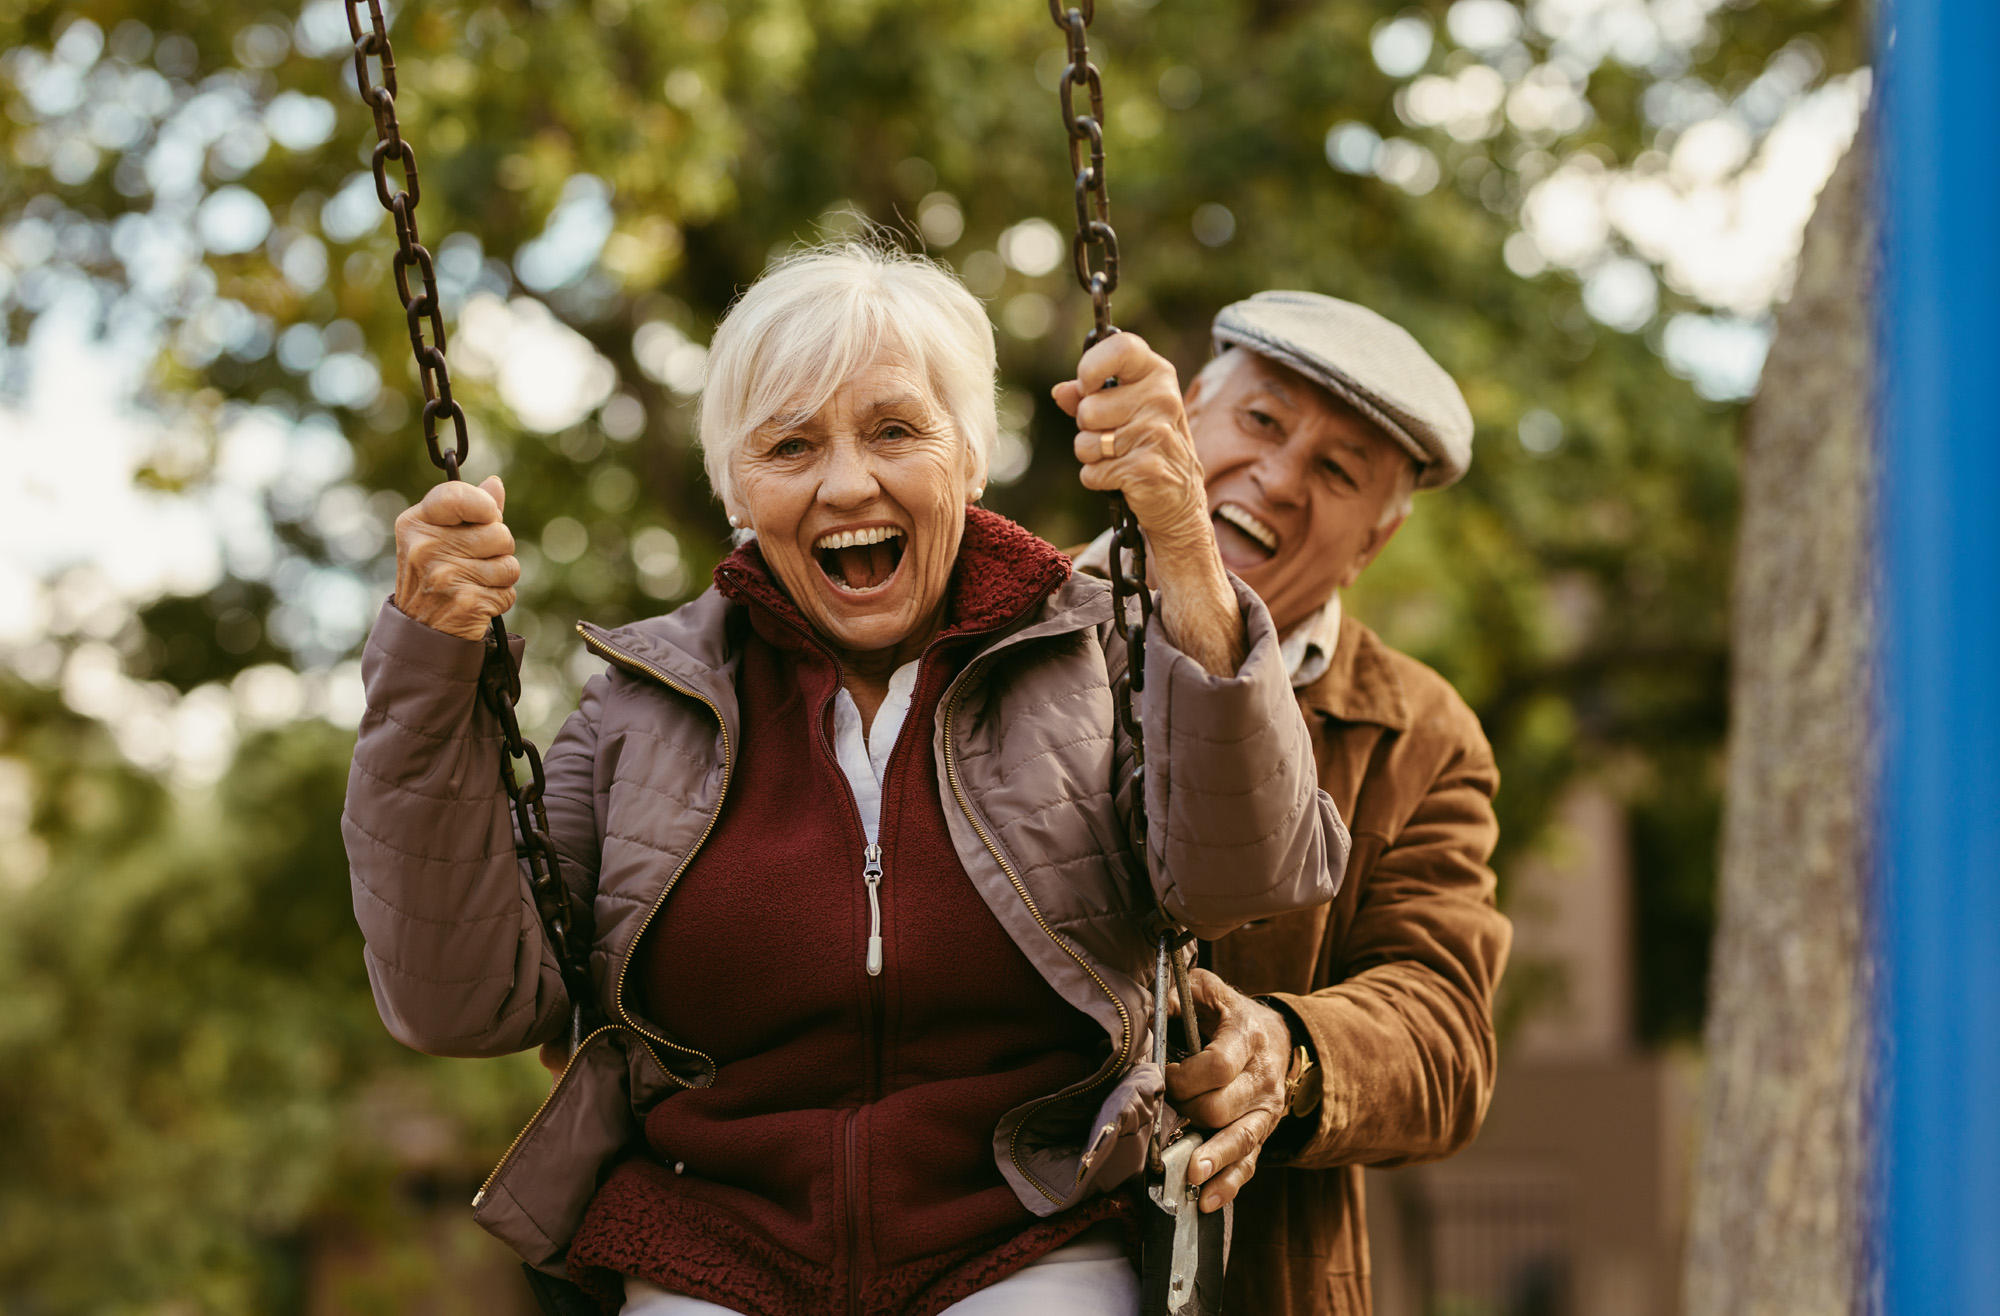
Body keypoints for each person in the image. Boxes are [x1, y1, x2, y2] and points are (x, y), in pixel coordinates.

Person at [341, 246, 1348, 1316]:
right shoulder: (641, 704)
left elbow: (1249, 876)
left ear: (968, 456)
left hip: (1028, 1234)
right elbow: (463, 1001)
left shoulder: (1092, 652)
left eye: (894, 430)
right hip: (708, 1246)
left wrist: (1182, 545)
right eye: (788, 444)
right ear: (737, 486)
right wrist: (429, 666)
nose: (845, 482)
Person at [1062, 291, 1512, 1316]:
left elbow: (1443, 1030)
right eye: (1260, 421)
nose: (1276, 476)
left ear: (1375, 540)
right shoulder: (996, 628)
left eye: (1337, 469)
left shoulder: (1420, 735)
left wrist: (1287, 1050)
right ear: (1185, 417)